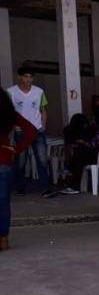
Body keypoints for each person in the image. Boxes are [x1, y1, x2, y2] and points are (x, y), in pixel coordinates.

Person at [0, 88, 38, 251]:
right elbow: (32, 131)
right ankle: (3, 239)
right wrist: (16, 149)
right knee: (3, 203)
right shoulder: (9, 115)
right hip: (5, 161)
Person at [6, 66, 52, 197]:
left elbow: (43, 110)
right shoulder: (11, 92)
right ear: (19, 77)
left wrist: (43, 126)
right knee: (20, 161)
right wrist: (14, 127)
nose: (28, 80)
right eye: (26, 76)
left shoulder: (39, 91)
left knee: (42, 160)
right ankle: (20, 187)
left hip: (37, 130)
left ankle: (45, 188)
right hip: (21, 132)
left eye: (31, 77)